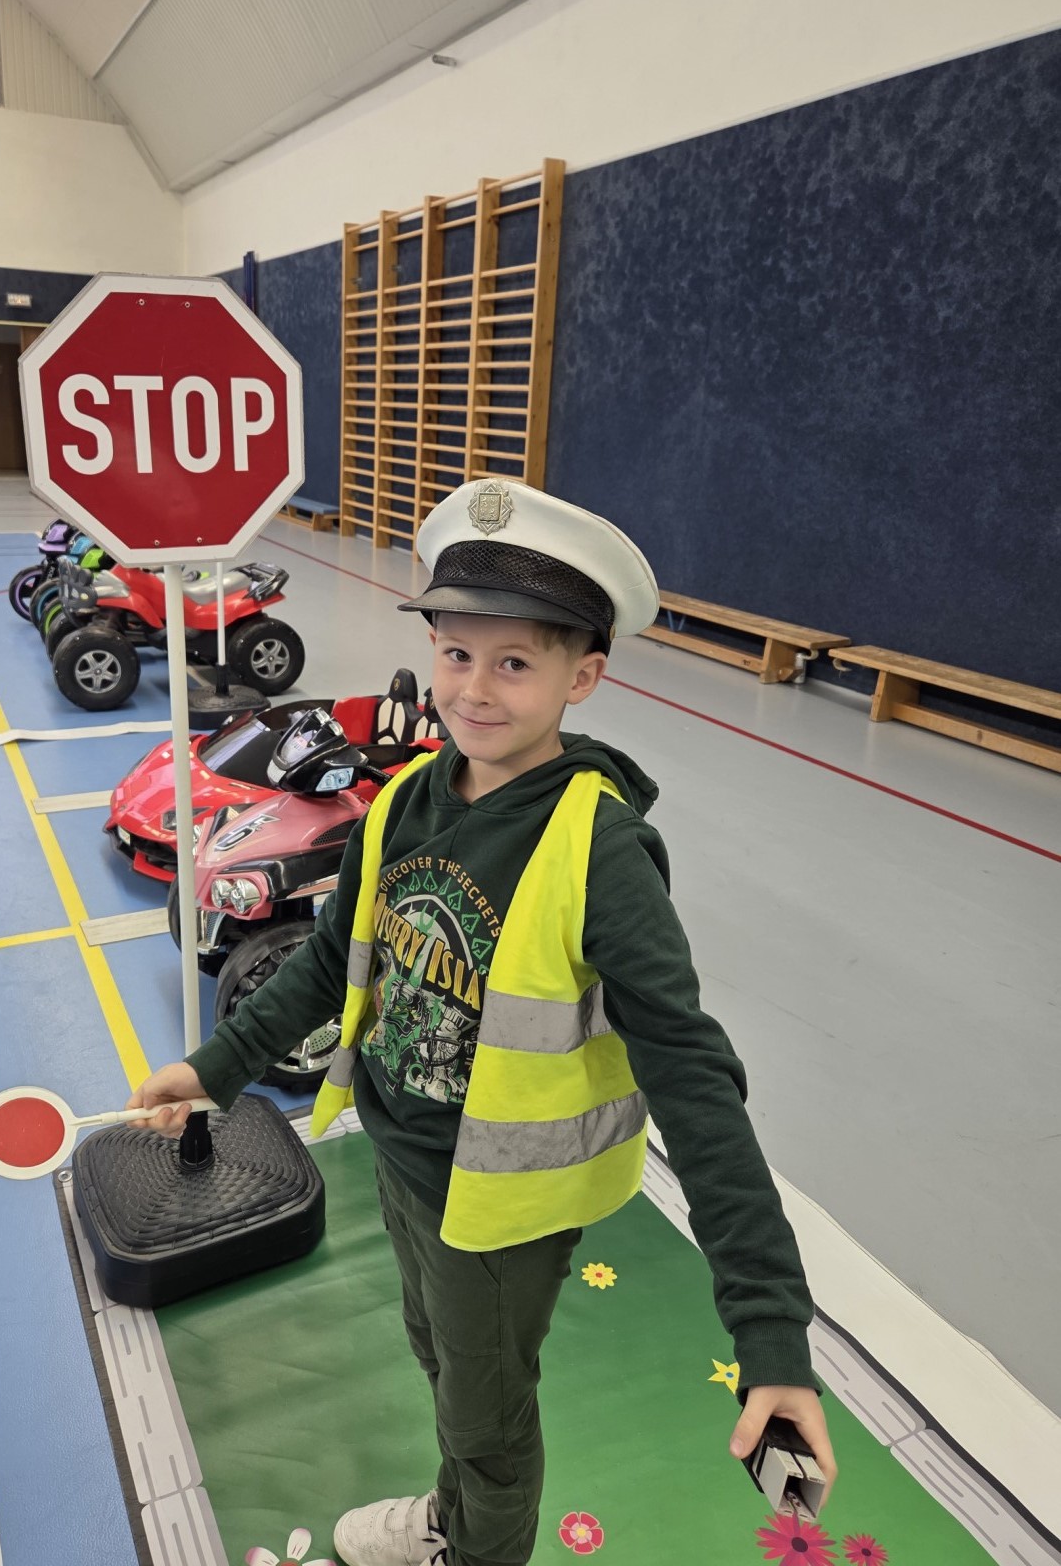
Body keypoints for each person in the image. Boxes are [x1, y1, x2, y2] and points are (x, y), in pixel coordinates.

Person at [126, 479, 837, 1566]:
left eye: (515, 663)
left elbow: (694, 1075)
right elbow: (332, 957)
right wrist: (218, 1066)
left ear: (582, 676)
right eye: (458, 654)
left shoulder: (600, 852)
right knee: (444, 1360)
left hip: (501, 1211)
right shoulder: (410, 796)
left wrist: (771, 1329)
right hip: (407, 1162)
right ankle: (453, 1518)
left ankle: (476, 1543)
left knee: (489, 1424)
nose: (474, 688)